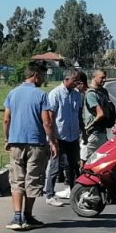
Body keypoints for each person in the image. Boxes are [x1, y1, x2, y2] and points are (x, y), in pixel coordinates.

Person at [3, 63, 58, 231]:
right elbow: (46, 121)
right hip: (36, 143)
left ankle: (17, 216)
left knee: (17, 179)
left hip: (16, 142)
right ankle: (27, 215)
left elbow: (6, 119)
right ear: (35, 75)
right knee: (32, 179)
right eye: (42, 76)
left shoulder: (12, 93)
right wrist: (53, 141)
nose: (44, 79)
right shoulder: (41, 95)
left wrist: (8, 138)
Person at [44, 69, 84, 207]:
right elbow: (50, 117)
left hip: (73, 136)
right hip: (59, 136)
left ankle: (74, 192)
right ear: (67, 79)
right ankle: (49, 194)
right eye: (75, 81)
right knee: (55, 166)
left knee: (73, 166)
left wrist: (82, 130)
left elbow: (78, 114)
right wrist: (52, 139)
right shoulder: (55, 94)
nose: (77, 83)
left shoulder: (77, 95)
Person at [80, 69, 115, 163]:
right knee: (102, 161)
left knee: (85, 162)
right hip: (102, 133)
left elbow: (100, 114)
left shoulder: (91, 94)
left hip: (93, 134)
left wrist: (87, 127)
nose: (104, 80)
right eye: (102, 78)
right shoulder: (103, 92)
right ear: (94, 77)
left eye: (105, 78)